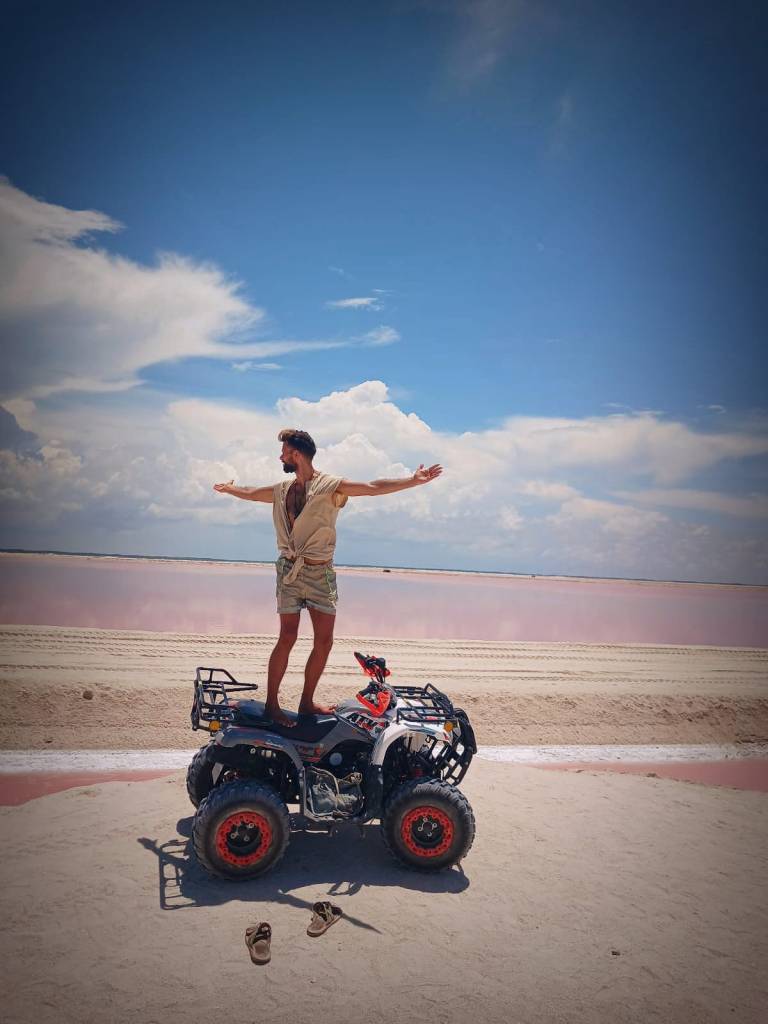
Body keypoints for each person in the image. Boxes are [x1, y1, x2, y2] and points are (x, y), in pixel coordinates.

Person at [213, 428, 442, 726]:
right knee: (287, 637)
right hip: (288, 570)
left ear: (297, 454)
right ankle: (272, 705)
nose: (280, 456)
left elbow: (372, 486)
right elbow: (253, 494)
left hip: (320, 572)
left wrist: (412, 481)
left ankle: (306, 702)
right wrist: (231, 489)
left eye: (284, 451)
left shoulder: (330, 486)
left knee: (323, 641)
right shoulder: (282, 489)